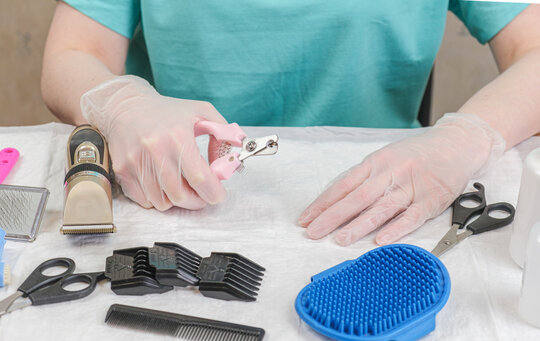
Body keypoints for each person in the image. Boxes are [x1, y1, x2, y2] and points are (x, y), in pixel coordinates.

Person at [42, 1, 540, 246]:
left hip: (391, 201)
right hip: (171, 198)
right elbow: (71, 53)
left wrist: (464, 138)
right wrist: (122, 104)